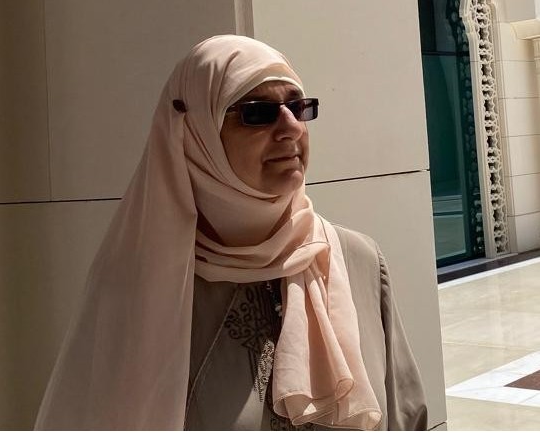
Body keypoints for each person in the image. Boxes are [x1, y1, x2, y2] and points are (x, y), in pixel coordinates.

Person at [34, 35, 428, 431]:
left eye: (298, 107)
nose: (291, 128)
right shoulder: (143, 289)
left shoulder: (356, 260)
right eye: (258, 113)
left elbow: (407, 419)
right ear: (196, 136)